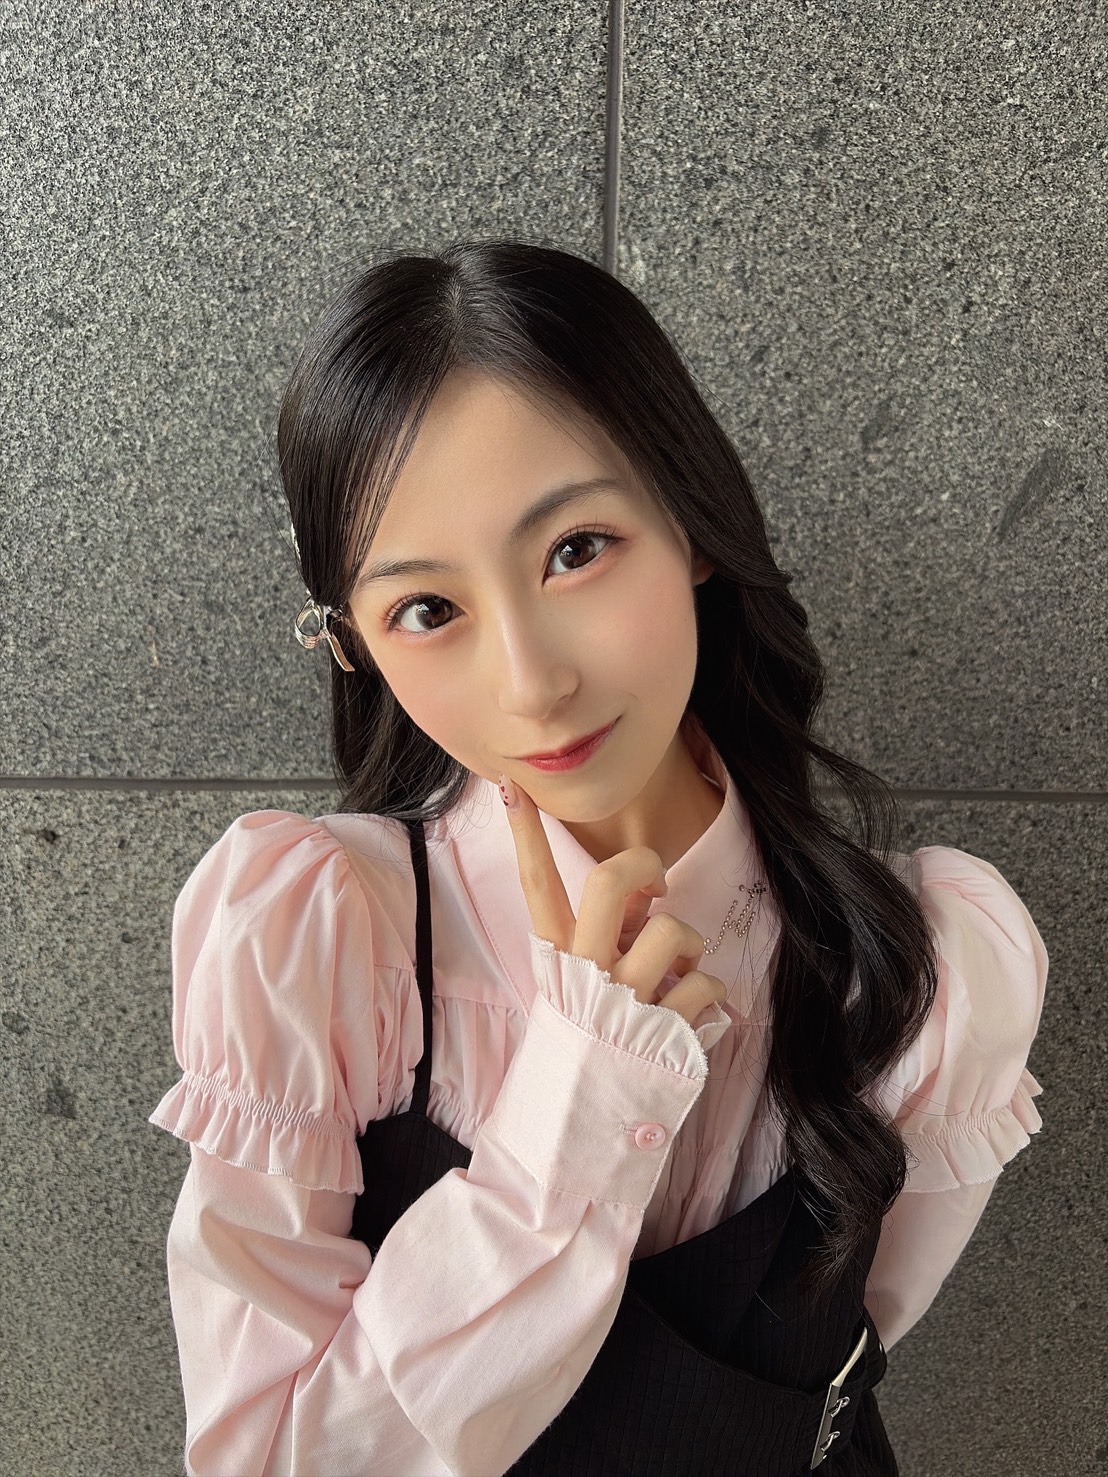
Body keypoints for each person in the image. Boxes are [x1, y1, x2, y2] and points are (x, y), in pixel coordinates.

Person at [148, 239, 1048, 1477]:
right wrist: (579, 1096)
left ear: (690, 520)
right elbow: (269, 1461)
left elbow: (832, 1372)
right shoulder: (325, 940)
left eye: (575, 549)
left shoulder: (921, 967)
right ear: (354, 643)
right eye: (428, 610)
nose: (531, 681)